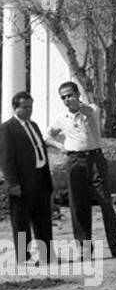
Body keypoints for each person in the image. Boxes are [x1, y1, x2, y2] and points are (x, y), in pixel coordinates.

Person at [47, 81, 116, 259]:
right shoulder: (62, 118)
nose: (67, 100)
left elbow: (89, 112)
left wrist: (79, 106)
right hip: (75, 160)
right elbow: (48, 135)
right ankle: (84, 250)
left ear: (77, 94)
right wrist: (61, 146)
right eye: (63, 97)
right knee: (78, 206)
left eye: (70, 95)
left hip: (95, 159)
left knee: (105, 203)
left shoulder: (91, 110)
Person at [1, 91, 54, 267]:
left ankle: (47, 255)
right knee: (21, 221)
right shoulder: (7, 129)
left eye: (31, 107)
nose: (29, 110)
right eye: (25, 107)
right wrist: (13, 183)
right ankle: (24, 257)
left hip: (40, 179)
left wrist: (47, 180)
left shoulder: (34, 125)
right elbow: (6, 159)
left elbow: (41, 151)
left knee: (43, 219)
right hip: (21, 182)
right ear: (15, 107)